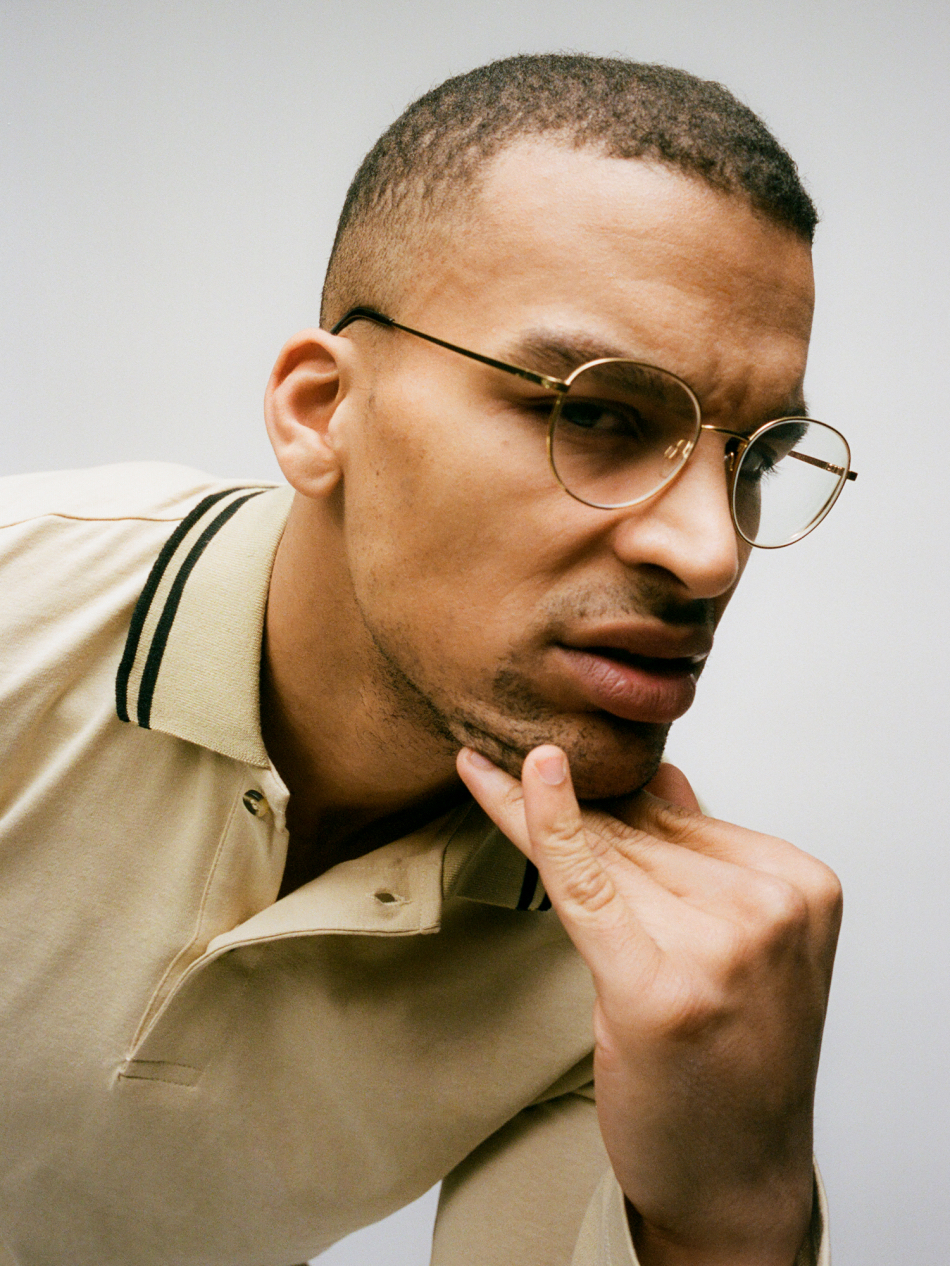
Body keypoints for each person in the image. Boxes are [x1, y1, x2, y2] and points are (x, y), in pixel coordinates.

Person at [0, 54, 855, 1266]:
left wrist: (736, 1213)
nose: (710, 551)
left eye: (753, 460)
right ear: (321, 412)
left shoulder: (645, 975)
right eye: (595, 413)